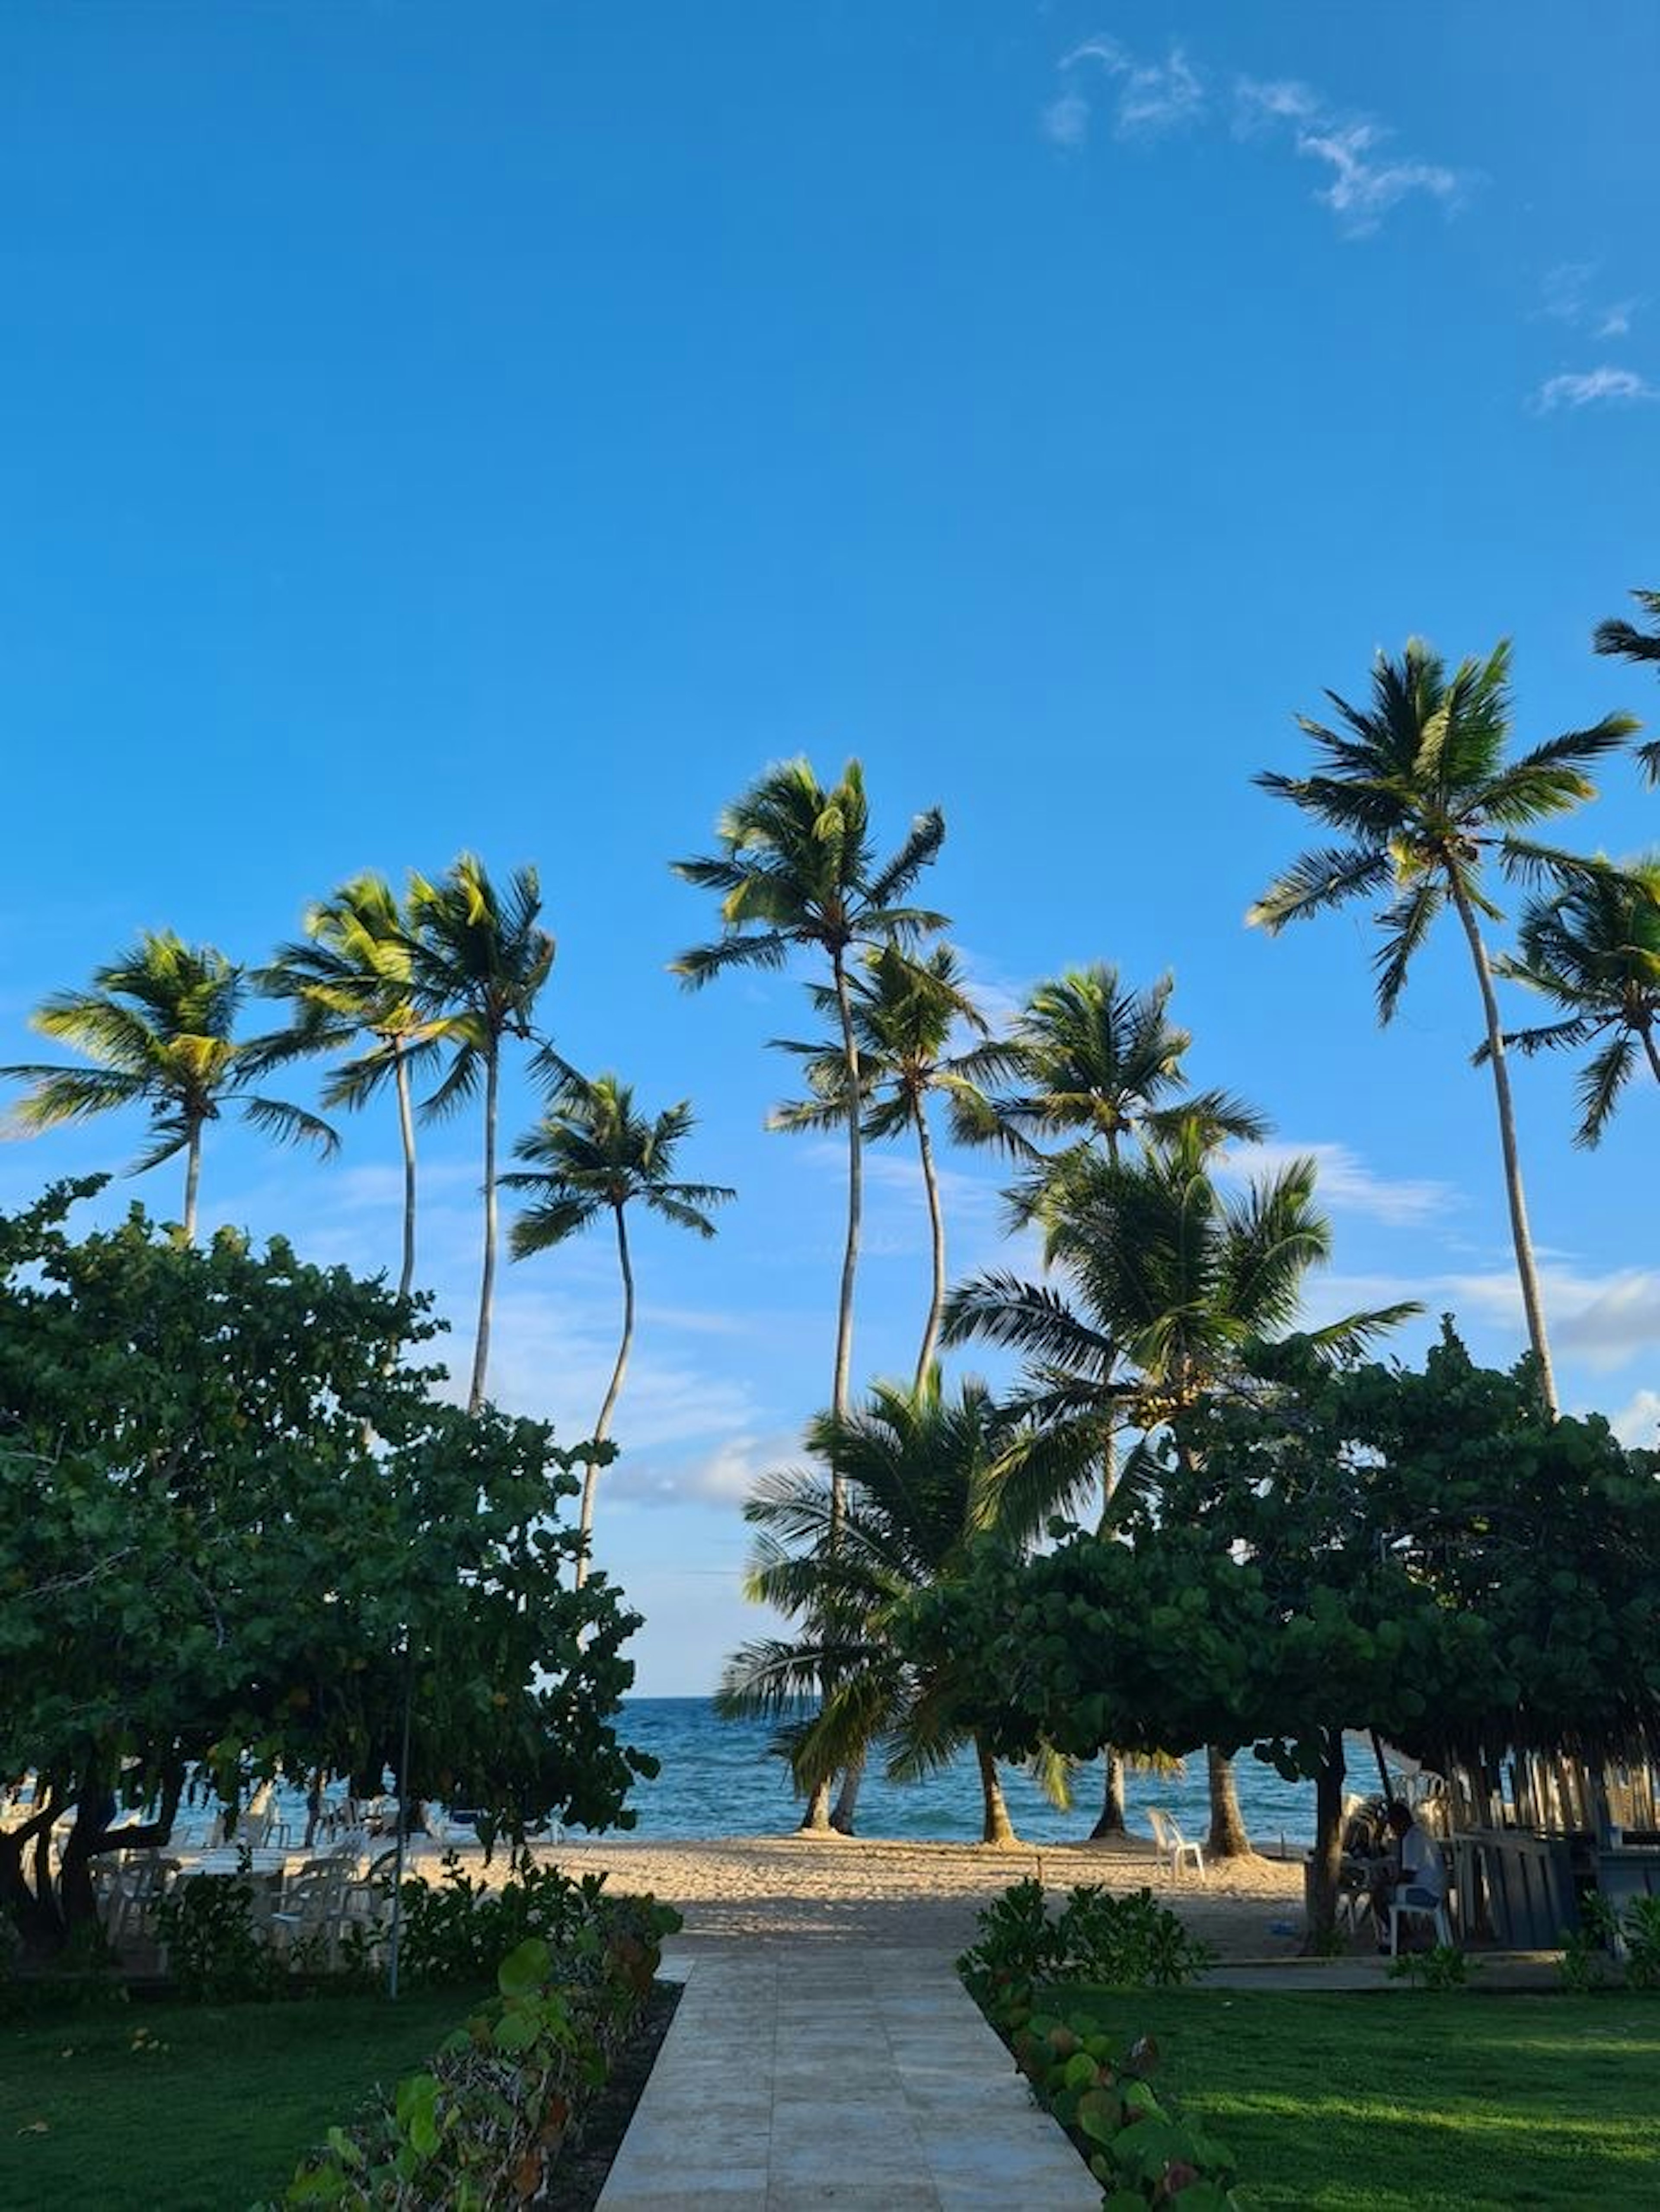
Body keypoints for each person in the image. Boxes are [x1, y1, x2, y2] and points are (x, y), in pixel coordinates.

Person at [1369, 1799, 1446, 1947]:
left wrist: (1389, 1882)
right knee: (1391, 1892)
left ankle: (1399, 1936)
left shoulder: (1410, 1838)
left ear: (1399, 1822)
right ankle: (1402, 1933)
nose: (1392, 1830)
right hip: (1436, 1889)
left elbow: (1408, 1876)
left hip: (1427, 1893)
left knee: (1380, 1896)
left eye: (1392, 1825)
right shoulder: (1420, 1833)